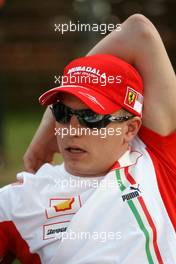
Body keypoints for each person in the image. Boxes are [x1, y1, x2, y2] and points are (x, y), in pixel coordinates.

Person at [0, 14, 176, 264]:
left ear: (130, 129)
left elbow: (139, 31)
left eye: (91, 118)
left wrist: (47, 128)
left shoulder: (158, 158)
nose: (72, 129)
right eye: (63, 113)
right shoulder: (19, 200)